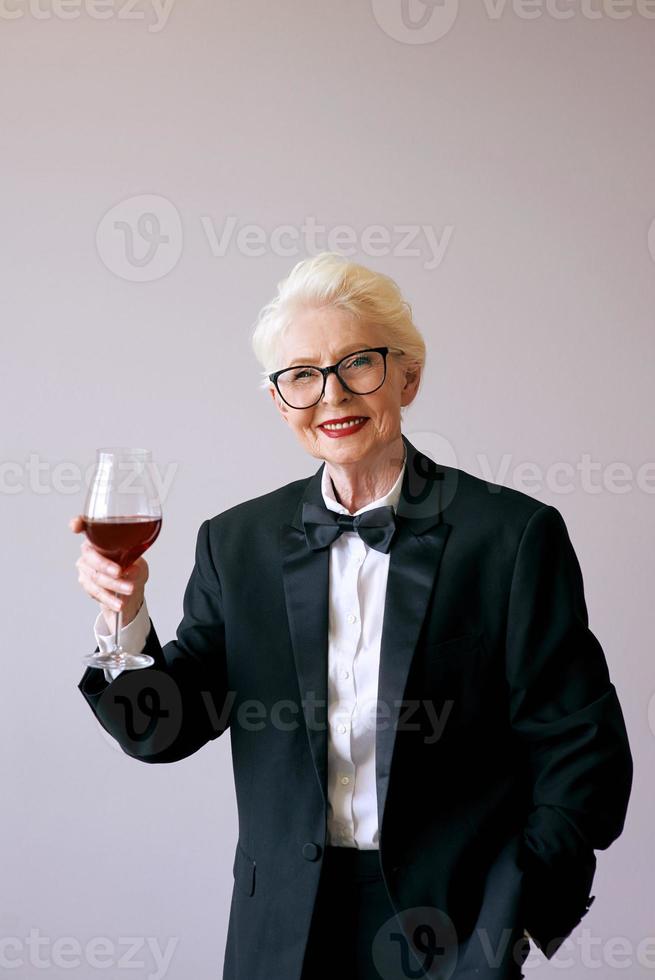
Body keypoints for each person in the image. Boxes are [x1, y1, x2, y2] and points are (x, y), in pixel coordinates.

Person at [72, 252, 633, 980]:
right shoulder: (236, 542)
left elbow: (581, 749)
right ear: (279, 401)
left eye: (357, 364)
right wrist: (125, 613)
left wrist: (510, 919)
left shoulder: (511, 537)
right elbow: (161, 729)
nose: (330, 395)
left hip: (454, 933)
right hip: (279, 935)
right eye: (302, 374)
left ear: (407, 376)